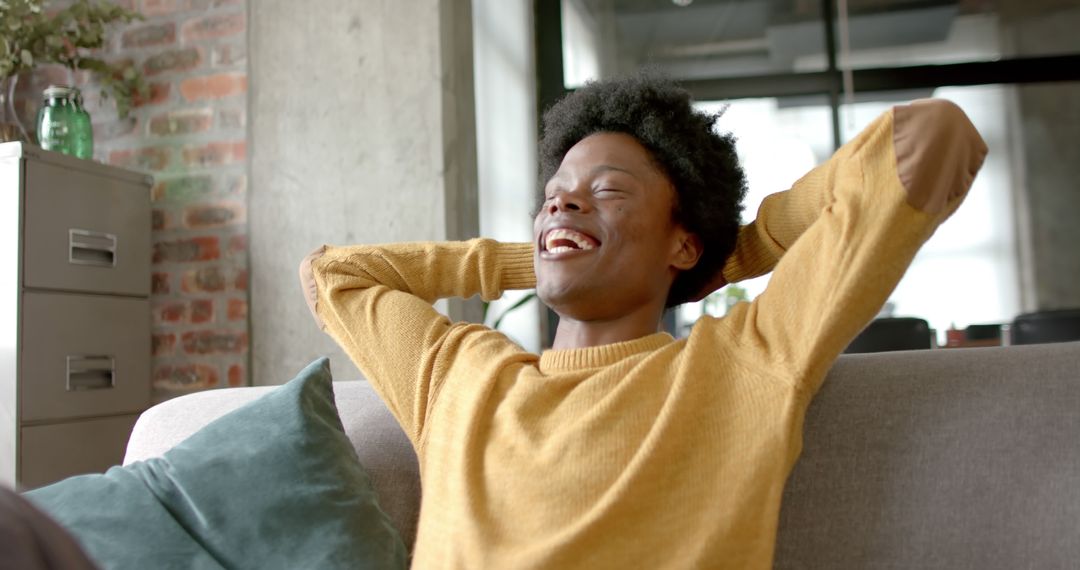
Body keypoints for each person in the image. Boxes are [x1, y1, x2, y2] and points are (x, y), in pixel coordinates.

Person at [299, 72, 987, 569]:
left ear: (681, 243)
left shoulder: (742, 363)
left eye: (606, 192)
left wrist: (736, 253)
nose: (562, 207)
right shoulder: (456, 376)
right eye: (553, 199)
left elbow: (931, 139)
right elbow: (332, 276)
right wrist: (538, 256)